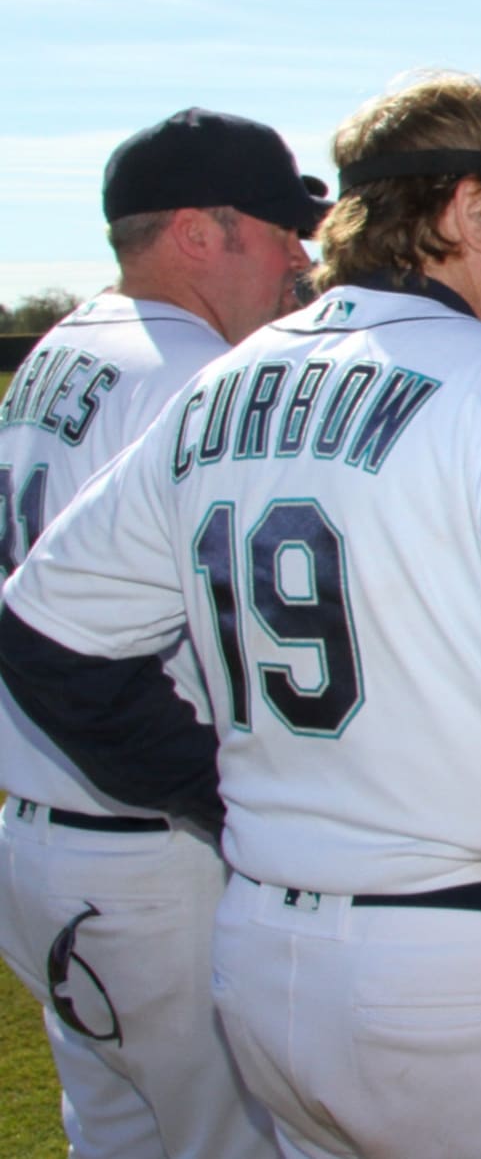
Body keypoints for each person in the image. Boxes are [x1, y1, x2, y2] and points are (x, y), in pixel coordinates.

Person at [0, 73, 481, 1159]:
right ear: (473, 212)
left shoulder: (220, 385)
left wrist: (224, 800)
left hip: (264, 964)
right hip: (473, 970)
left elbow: (43, 635)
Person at [0, 106, 319, 1158]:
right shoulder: (196, 380)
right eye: (281, 227)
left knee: (116, 1134)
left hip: (51, 842)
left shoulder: (57, 353)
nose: (301, 257)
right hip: (157, 854)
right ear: (200, 231)